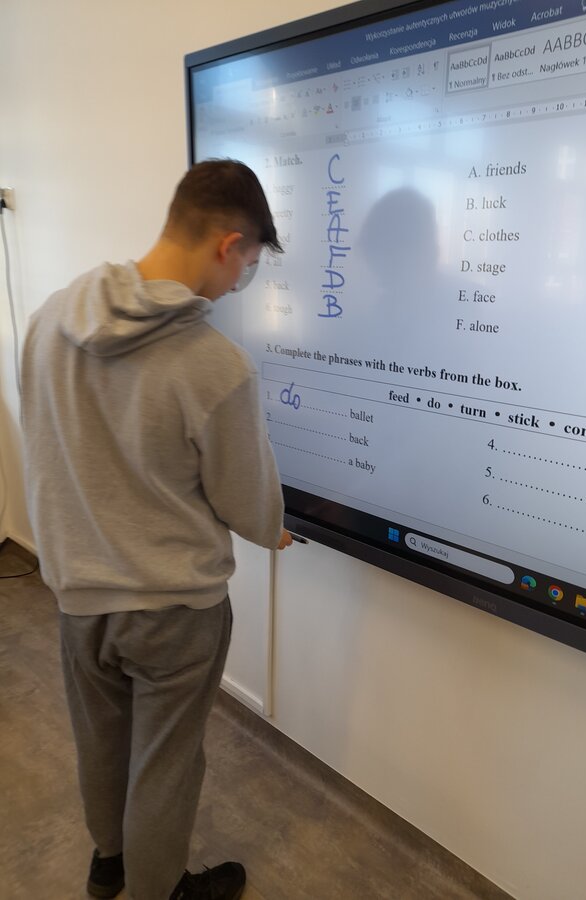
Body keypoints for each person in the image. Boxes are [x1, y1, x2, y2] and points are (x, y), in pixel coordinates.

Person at [21, 159, 293, 900]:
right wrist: (273, 528)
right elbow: (248, 506)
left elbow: (47, 448)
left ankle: (109, 861)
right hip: (173, 608)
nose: (241, 283)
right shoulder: (216, 366)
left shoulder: (49, 321)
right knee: (165, 766)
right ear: (228, 245)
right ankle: (158, 890)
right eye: (249, 265)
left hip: (79, 596)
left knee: (101, 742)